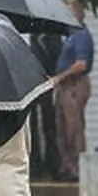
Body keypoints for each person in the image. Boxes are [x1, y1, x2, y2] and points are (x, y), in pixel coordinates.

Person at [53, 0, 94, 181]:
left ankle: (78, 168)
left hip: (74, 85)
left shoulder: (81, 35)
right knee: (63, 128)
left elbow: (81, 64)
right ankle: (67, 166)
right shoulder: (70, 35)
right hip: (65, 86)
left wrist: (60, 77)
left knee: (74, 128)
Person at [29, 33, 63, 179]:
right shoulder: (32, 38)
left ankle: (52, 164)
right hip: (31, 85)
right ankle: (35, 164)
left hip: (48, 83)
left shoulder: (52, 39)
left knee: (50, 127)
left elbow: (58, 59)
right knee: (33, 127)